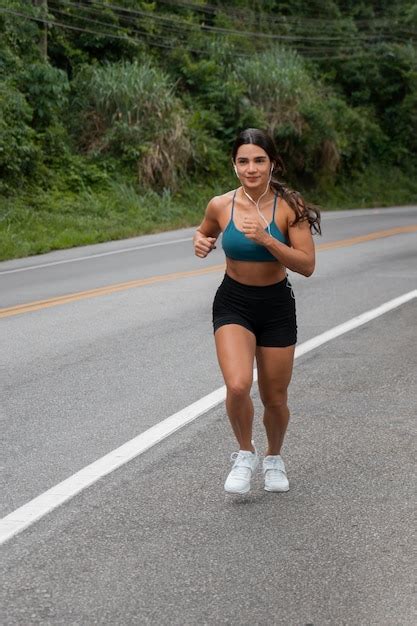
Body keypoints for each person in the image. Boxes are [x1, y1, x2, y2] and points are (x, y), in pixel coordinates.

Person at [193, 128, 321, 495]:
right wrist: (200, 242)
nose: (251, 168)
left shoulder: (288, 206)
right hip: (234, 301)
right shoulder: (221, 205)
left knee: (275, 398)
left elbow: (307, 265)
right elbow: (204, 233)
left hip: (277, 305)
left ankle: (274, 457)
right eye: (243, 161)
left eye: (259, 160)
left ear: (272, 163)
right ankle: (245, 453)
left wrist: (266, 238)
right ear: (234, 165)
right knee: (237, 385)